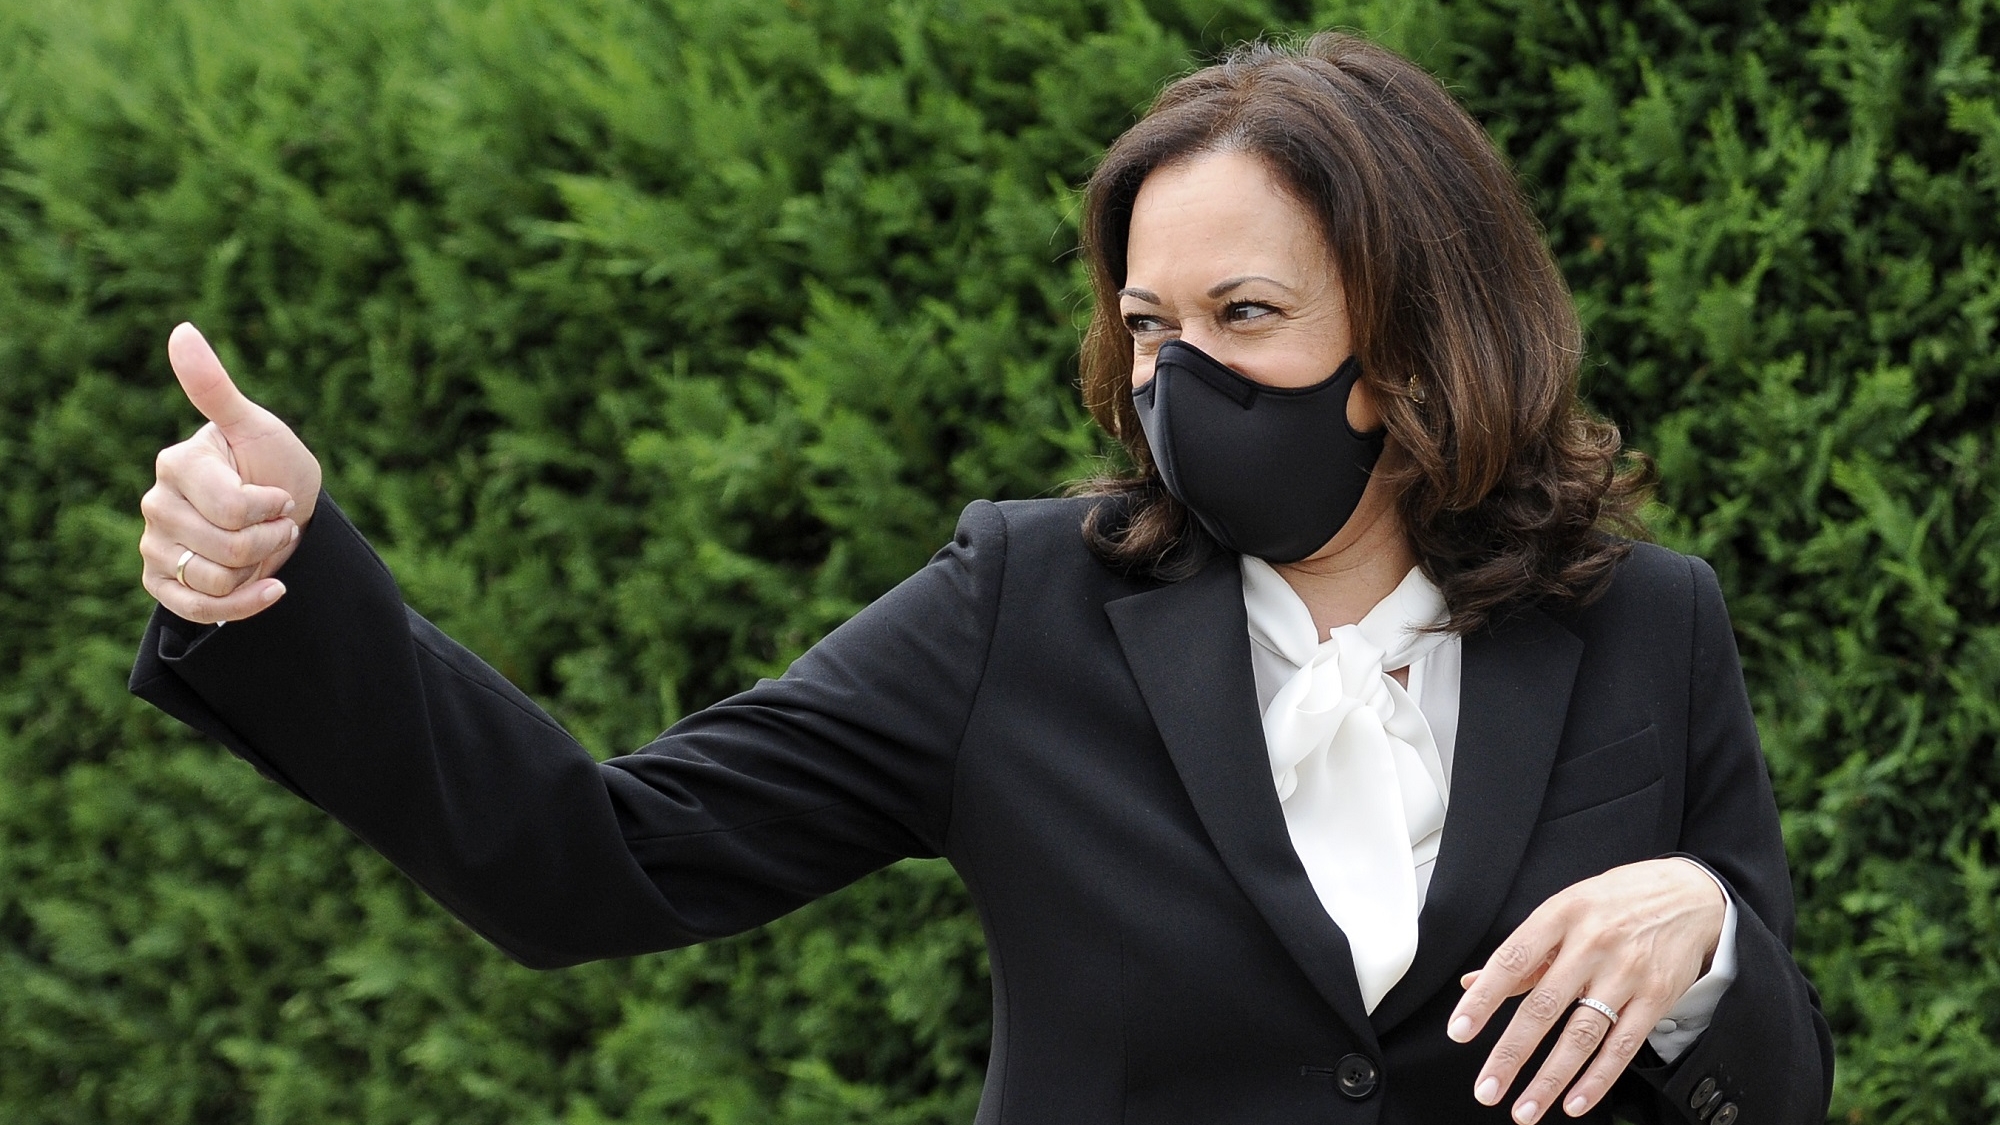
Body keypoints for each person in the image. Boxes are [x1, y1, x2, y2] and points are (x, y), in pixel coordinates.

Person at [131, 32, 1831, 1125]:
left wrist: (1711, 945)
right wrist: (286, 582)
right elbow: (596, 862)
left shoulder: (1643, 624)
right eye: (1153, 329)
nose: (1181, 383)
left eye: (1247, 319)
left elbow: (1781, 1085)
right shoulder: (1022, 602)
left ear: (1413, 338)